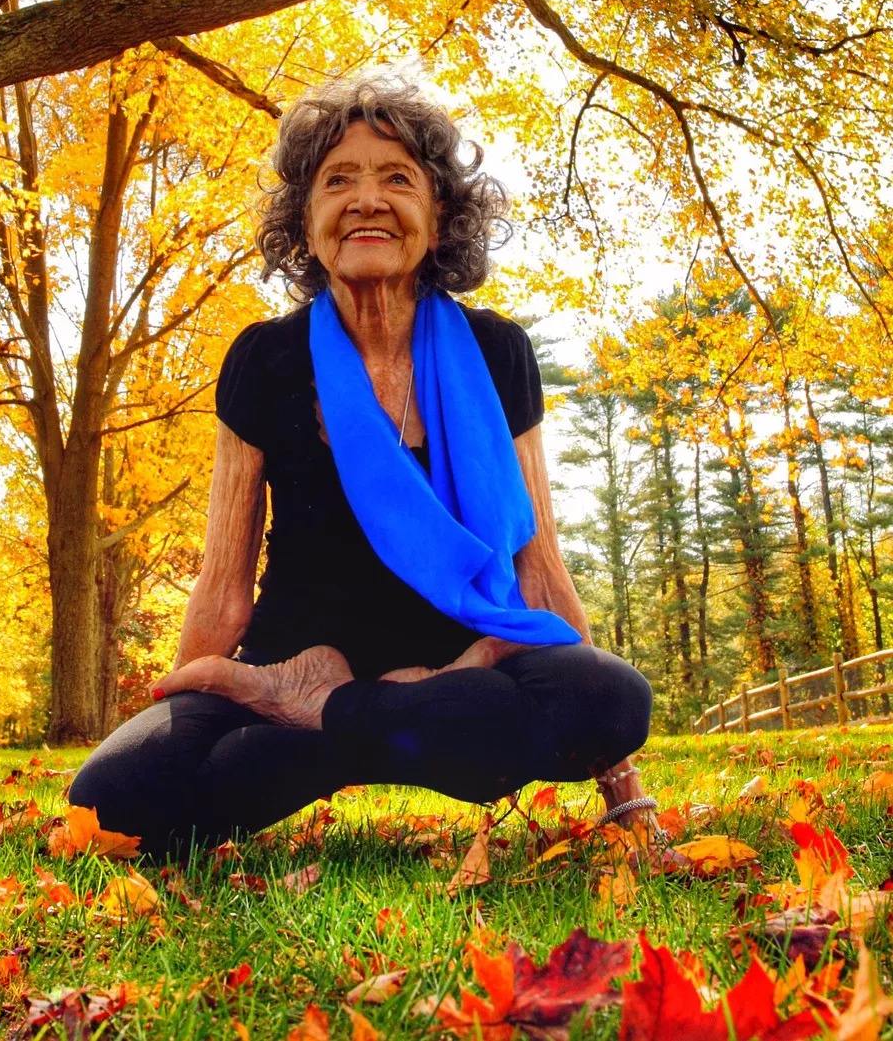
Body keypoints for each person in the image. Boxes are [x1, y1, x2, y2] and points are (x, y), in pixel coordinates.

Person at [69, 75, 659, 860]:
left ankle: (334, 713)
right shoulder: (265, 359)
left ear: (439, 215)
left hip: (461, 670)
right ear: (304, 222)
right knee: (116, 798)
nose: (367, 200)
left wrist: (619, 780)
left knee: (609, 695)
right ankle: (338, 720)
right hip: (286, 668)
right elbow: (222, 579)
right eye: (338, 180)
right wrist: (186, 714)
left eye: (397, 179)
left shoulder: (497, 353)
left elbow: (539, 567)